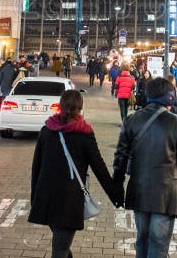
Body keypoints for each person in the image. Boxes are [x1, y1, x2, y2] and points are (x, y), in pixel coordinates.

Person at [29, 90, 124, 257]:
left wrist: (35, 197)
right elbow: (99, 167)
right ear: (80, 108)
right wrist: (115, 194)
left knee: (61, 246)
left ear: (60, 106)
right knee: (60, 249)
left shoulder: (46, 131)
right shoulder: (84, 134)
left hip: (47, 198)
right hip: (69, 201)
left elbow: (36, 167)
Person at [113, 77, 177, 258]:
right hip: (166, 192)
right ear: (169, 97)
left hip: (139, 188)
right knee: (159, 242)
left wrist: (117, 185)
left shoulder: (131, 120)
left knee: (142, 238)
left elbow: (120, 157)